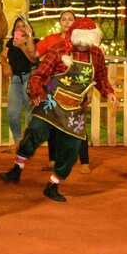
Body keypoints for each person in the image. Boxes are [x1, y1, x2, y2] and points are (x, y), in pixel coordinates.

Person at [0, 18, 115, 202]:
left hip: (75, 108)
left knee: (72, 148)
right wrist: (37, 91)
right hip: (51, 102)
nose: (83, 46)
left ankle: (53, 185)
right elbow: (39, 74)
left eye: (87, 43)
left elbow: (101, 78)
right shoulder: (59, 49)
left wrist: (109, 92)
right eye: (81, 42)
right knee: (34, 133)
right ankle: (17, 169)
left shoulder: (97, 55)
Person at [37, 11, 91, 173]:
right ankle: (53, 160)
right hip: (54, 87)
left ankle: (84, 162)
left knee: (77, 124)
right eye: (64, 19)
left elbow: (89, 66)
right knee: (53, 123)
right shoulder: (51, 40)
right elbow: (36, 56)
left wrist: (88, 90)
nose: (67, 22)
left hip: (76, 88)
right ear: (60, 22)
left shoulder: (82, 40)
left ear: (75, 22)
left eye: (70, 19)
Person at [1, 17, 38, 147]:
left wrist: (22, 45)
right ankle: (18, 140)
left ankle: (27, 142)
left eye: (23, 26)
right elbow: (2, 56)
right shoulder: (11, 42)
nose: (21, 28)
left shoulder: (34, 41)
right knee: (12, 113)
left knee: (30, 112)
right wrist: (5, 65)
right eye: (18, 26)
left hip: (30, 78)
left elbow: (33, 59)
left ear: (29, 28)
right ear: (14, 30)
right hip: (16, 79)